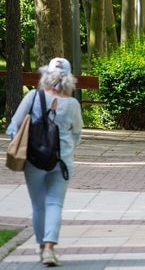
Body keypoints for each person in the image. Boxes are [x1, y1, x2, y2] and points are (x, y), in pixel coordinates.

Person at [6, 57, 83, 266]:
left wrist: (21, 144)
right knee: (54, 204)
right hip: (61, 162)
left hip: (33, 160)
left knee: (39, 206)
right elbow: (77, 135)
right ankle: (50, 247)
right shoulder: (73, 105)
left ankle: (42, 247)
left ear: (46, 75)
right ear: (69, 79)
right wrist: (65, 150)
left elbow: (14, 126)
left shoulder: (32, 96)